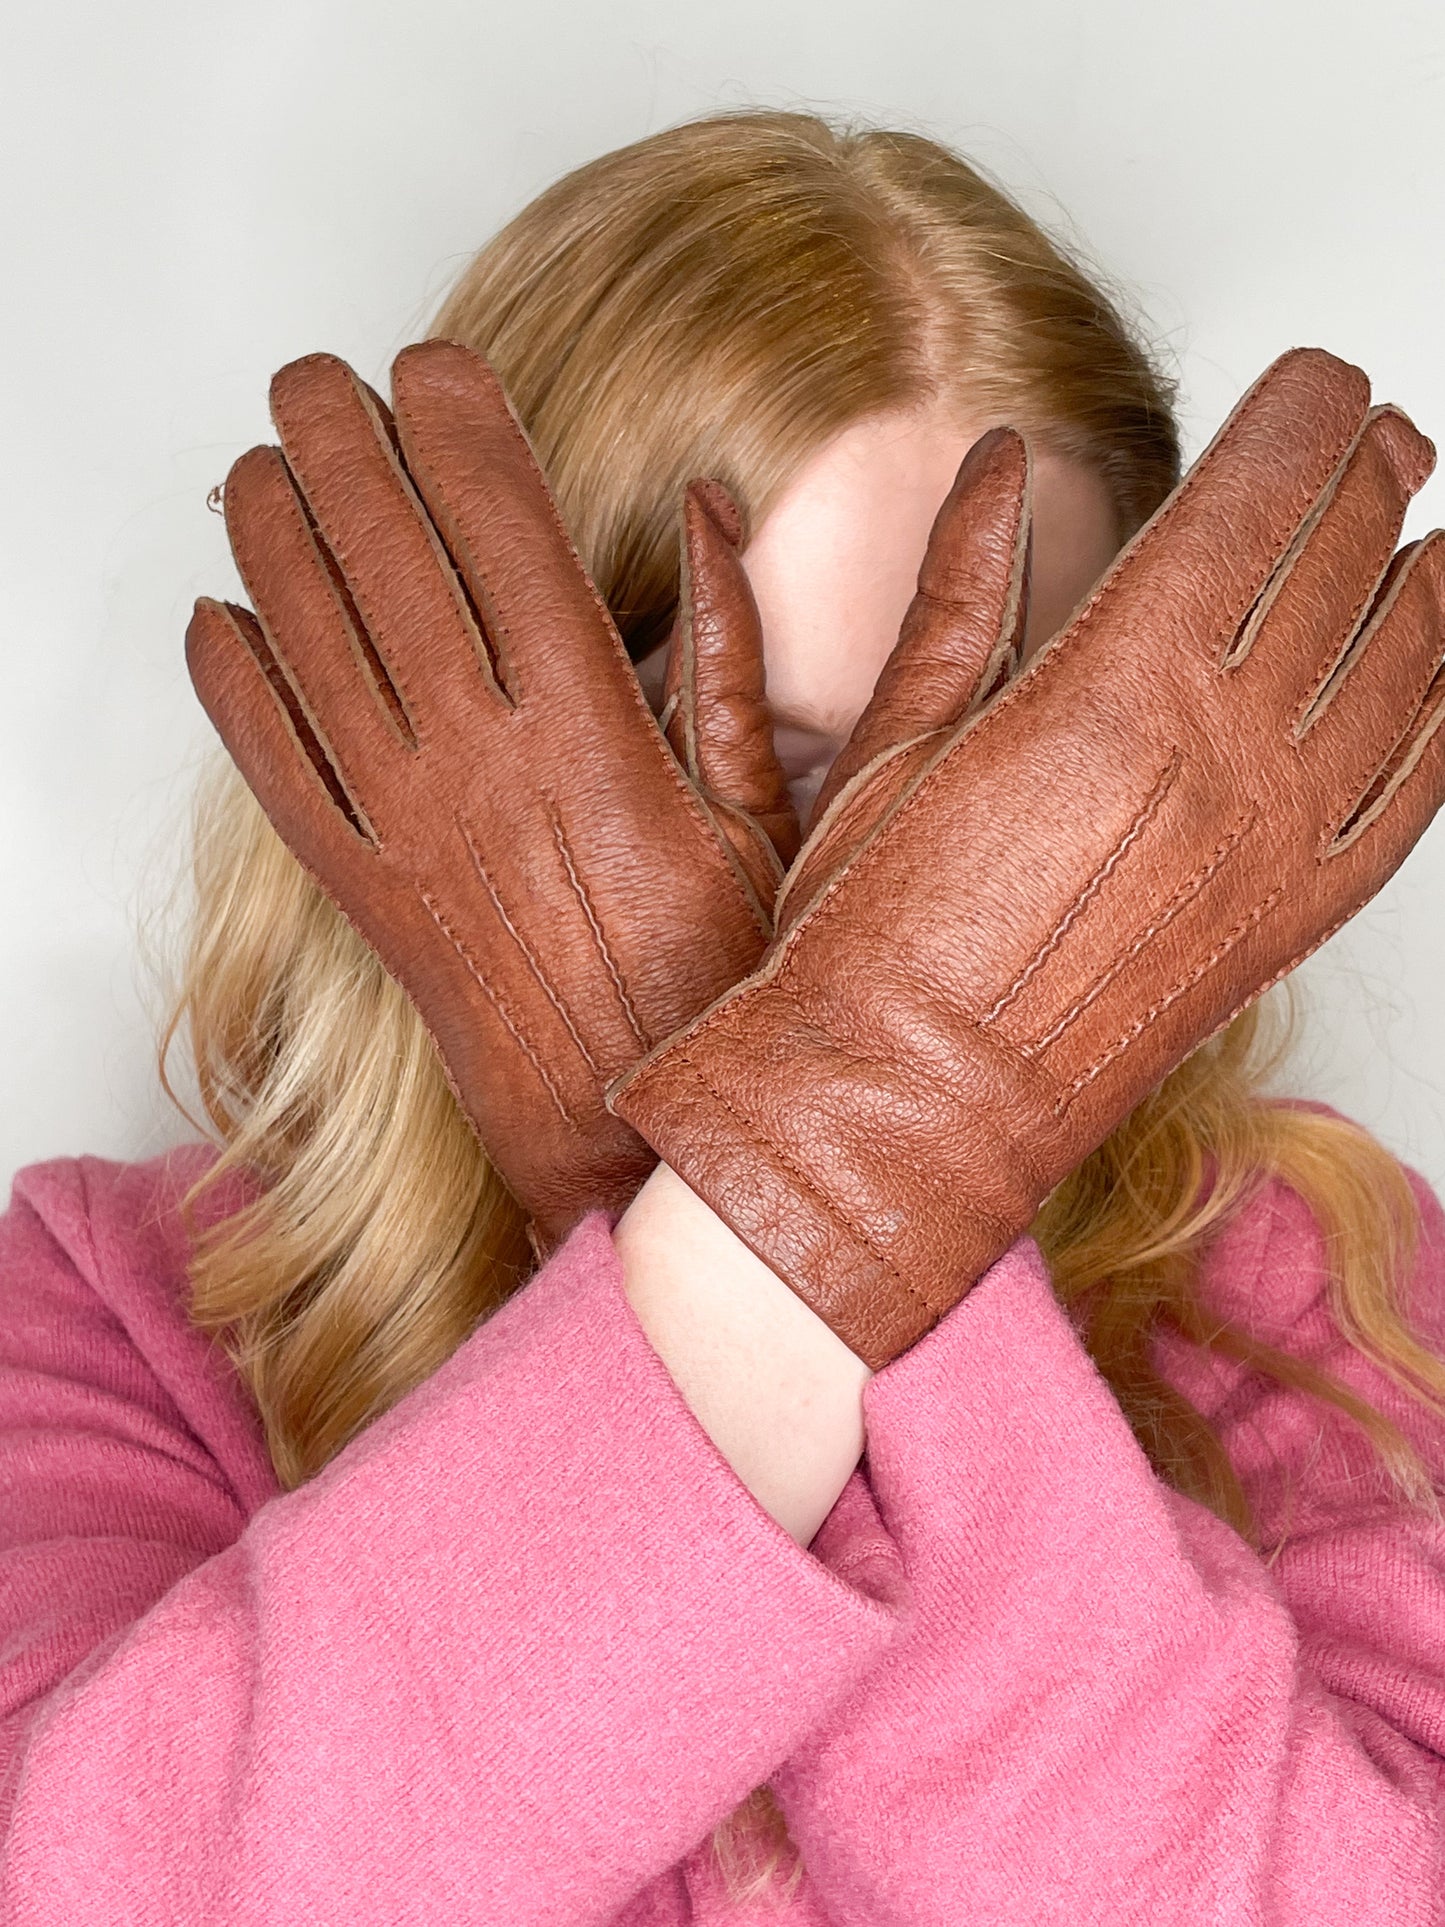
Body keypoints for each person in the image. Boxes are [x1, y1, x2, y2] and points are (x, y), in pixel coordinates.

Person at [2, 106, 1443, 1924]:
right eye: (747, 748)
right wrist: (845, 1165)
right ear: (451, 716)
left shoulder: (1332, 1292)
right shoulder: (118, 1314)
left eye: (981, 784)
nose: (854, 903)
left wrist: (805, 1152)